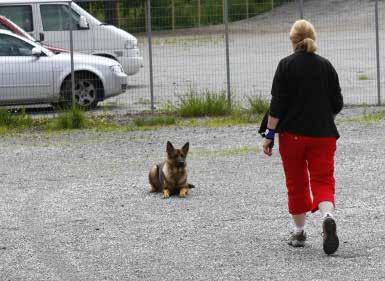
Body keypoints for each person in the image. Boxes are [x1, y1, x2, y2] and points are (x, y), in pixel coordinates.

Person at [260, 19, 343, 255]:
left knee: (296, 182)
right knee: (323, 180)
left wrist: (269, 135)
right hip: (324, 134)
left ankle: (299, 232)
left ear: (292, 40)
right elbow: (337, 103)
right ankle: (328, 216)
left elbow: (276, 106)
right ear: (313, 38)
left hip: (293, 137)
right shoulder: (326, 66)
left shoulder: (285, 66)